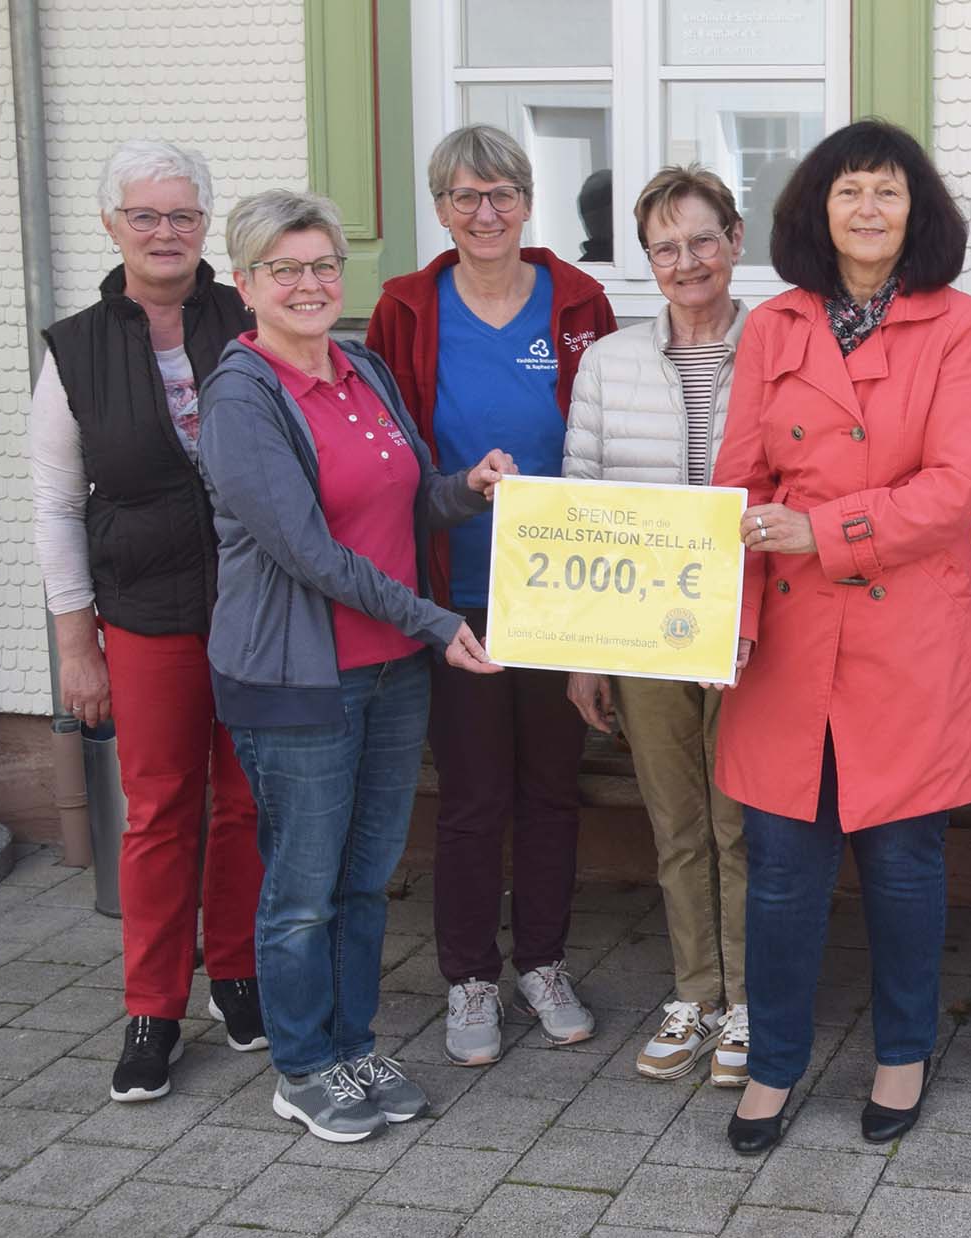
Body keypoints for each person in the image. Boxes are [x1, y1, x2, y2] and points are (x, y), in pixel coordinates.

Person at [712, 119, 971, 1155]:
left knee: (903, 862)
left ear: (916, 210)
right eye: (849, 191)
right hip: (791, 635)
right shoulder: (773, 325)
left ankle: (903, 1054)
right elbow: (739, 481)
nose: (868, 209)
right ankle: (773, 1063)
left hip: (909, 632)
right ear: (818, 210)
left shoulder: (963, 326)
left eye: (887, 190)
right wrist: (730, 620)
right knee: (780, 869)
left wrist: (826, 530)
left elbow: (959, 485)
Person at [200, 189, 517, 1144]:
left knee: (366, 878)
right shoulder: (242, 396)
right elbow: (308, 551)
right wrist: (433, 620)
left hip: (390, 671)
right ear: (246, 282)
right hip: (298, 678)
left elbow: (407, 501)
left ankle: (351, 1045)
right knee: (302, 891)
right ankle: (301, 1067)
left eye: (323, 265)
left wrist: (468, 489)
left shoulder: (361, 368)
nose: (309, 284)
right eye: (285, 269)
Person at [366, 124, 618, 1068]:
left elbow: (607, 431)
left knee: (551, 789)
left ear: (527, 201)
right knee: (472, 795)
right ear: (440, 208)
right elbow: (387, 451)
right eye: (465, 196)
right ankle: (469, 975)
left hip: (560, 588)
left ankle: (543, 964)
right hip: (455, 590)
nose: (485, 213)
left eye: (502, 193)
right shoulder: (405, 307)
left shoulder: (578, 300)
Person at [29, 139, 265, 1104]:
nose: (166, 233)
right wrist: (75, 643)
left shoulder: (248, 317)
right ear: (112, 225)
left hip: (255, 607)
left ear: (206, 225)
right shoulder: (76, 348)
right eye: (146, 216)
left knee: (248, 802)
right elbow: (55, 506)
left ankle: (238, 972)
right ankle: (153, 1008)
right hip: (144, 613)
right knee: (161, 812)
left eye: (184, 215)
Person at [563, 164, 752, 1087]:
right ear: (646, 260)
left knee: (741, 826)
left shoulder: (780, 348)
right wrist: (584, 654)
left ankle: (749, 1001)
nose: (687, 262)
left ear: (736, 241)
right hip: (643, 631)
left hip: (751, 629)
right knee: (676, 822)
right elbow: (583, 501)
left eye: (702, 239)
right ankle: (696, 991)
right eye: (664, 248)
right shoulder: (610, 361)